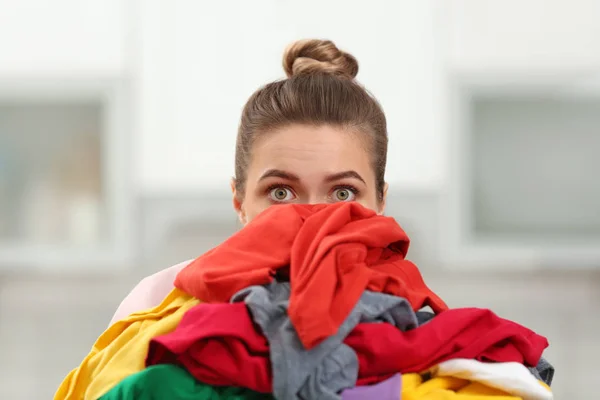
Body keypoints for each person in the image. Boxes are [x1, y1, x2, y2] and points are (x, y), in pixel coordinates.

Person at [110, 38, 391, 325]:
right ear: (239, 202)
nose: (314, 221)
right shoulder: (154, 305)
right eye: (281, 193)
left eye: (342, 193)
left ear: (380, 202)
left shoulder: (413, 323)